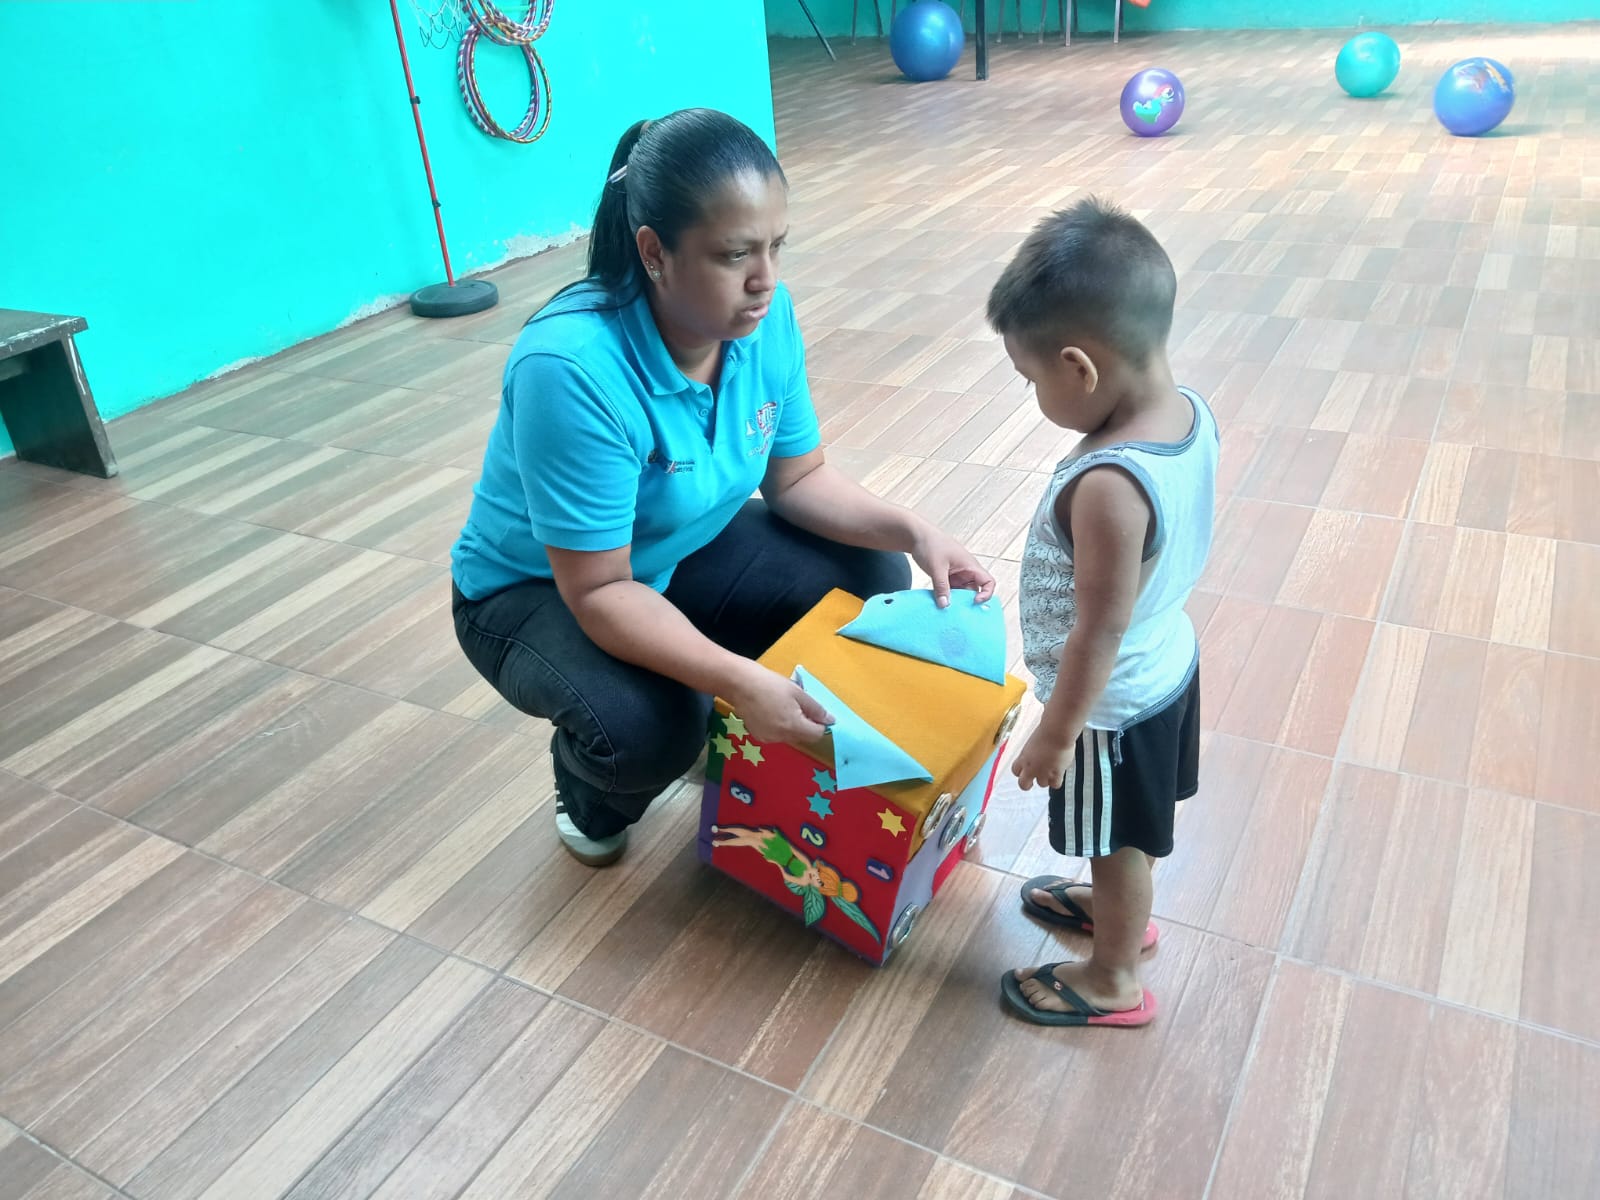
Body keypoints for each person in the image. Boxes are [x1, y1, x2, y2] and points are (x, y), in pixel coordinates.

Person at [450, 109, 994, 868]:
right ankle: (588, 787)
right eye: (735, 254)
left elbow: (798, 478)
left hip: (673, 547)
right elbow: (600, 589)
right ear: (654, 252)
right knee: (654, 729)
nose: (764, 280)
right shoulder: (571, 368)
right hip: (539, 590)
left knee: (871, 570)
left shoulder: (763, 320)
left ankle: (734, 707)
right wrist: (737, 681)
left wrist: (914, 530)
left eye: (776, 246)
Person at [988, 197, 1218, 1028]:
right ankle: (1115, 905)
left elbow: (1098, 629)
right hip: (1166, 663)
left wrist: (1057, 731)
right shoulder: (1187, 412)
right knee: (1125, 827)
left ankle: (1114, 974)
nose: (1034, 395)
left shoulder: (1111, 487)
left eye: (1032, 380)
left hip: (1108, 708)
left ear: (1079, 369)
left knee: (1118, 840)